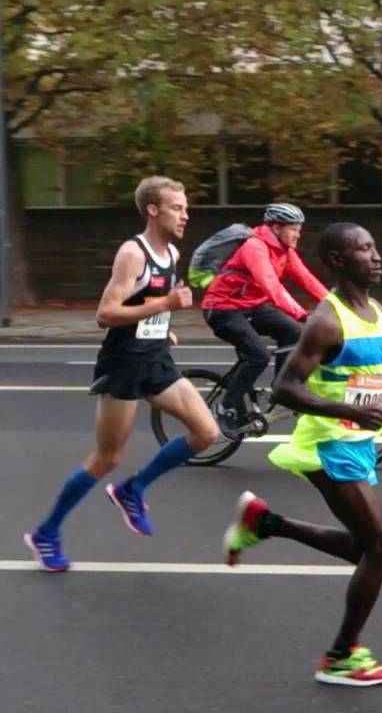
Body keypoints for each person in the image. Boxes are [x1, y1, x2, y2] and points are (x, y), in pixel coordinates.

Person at [221, 222, 382, 687]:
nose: (376, 256)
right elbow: (284, 388)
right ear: (337, 260)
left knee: (363, 547)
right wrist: (346, 410)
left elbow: (353, 365)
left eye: (375, 246)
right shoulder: (326, 320)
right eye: (363, 249)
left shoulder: (374, 310)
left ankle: (265, 524)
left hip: (357, 443)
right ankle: (340, 656)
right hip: (330, 443)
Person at [23, 176, 220, 571]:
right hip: (124, 363)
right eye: (177, 208)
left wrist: (163, 327)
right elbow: (106, 313)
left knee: (206, 432)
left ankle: (133, 490)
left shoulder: (172, 253)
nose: (186, 215)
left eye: (185, 208)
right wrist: (165, 305)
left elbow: (146, 303)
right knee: (108, 457)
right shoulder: (133, 253)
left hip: (155, 358)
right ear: (153, 210)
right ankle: (46, 533)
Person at [202, 202, 329, 436]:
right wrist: (302, 314)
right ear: (276, 228)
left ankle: (282, 389)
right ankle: (227, 405)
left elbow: (307, 279)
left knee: (294, 333)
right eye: (294, 229)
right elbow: (272, 287)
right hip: (222, 308)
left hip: (252, 306)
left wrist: (336, 305)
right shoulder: (255, 247)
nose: (298, 234)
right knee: (258, 355)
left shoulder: (284, 251)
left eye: (299, 229)